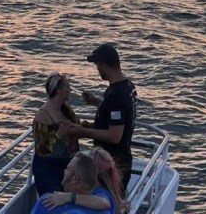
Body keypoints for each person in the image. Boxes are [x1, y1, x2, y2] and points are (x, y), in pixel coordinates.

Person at [65, 43, 138, 193]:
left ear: (104, 65)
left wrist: (81, 131)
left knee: (110, 200)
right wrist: (97, 103)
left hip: (113, 164)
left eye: (97, 64)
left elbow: (114, 135)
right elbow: (118, 113)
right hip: (120, 159)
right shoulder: (127, 86)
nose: (97, 69)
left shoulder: (116, 95)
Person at [32, 72, 80, 196]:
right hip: (49, 168)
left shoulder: (65, 110)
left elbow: (78, 126)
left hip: (68, 165)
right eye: (67, 87)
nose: (70, 90)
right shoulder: (43, 115)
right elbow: (42, 149)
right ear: (58, 90)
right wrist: (59, 134)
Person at [30, 152, 114, 214]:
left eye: (67, 169)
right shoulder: (104, 211)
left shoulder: (47, 203)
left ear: (75, 179)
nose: (64, 171)